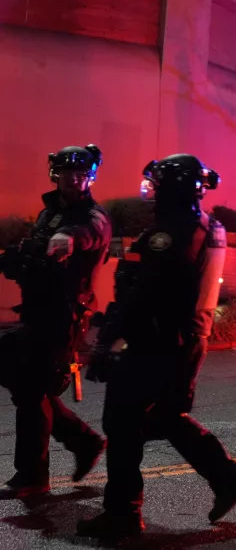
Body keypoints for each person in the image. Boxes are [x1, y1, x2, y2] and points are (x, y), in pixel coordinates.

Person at [77, 154, 236, 540]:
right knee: (164, 416)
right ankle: (226, 475)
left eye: (155, 184)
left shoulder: (170, 233)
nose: (150, 192)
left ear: (172, 188)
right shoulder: (207, 225)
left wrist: (107, 341)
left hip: (159, 341)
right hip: (187, 337)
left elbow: (145, 295)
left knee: (122, 422)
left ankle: (122, 513)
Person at [0, 145, 109, 498]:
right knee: (20, 378)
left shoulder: (91, 216)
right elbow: (30, 252)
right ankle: (84, 441)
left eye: (81, 174)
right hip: (36, 313)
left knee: (32, 393)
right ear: (55, 174)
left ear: (89, 177)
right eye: (67, 173)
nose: (74, 180)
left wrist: (70, 239)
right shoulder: (50, 213)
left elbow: (90, 232)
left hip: (62, 318)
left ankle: (32, 479)